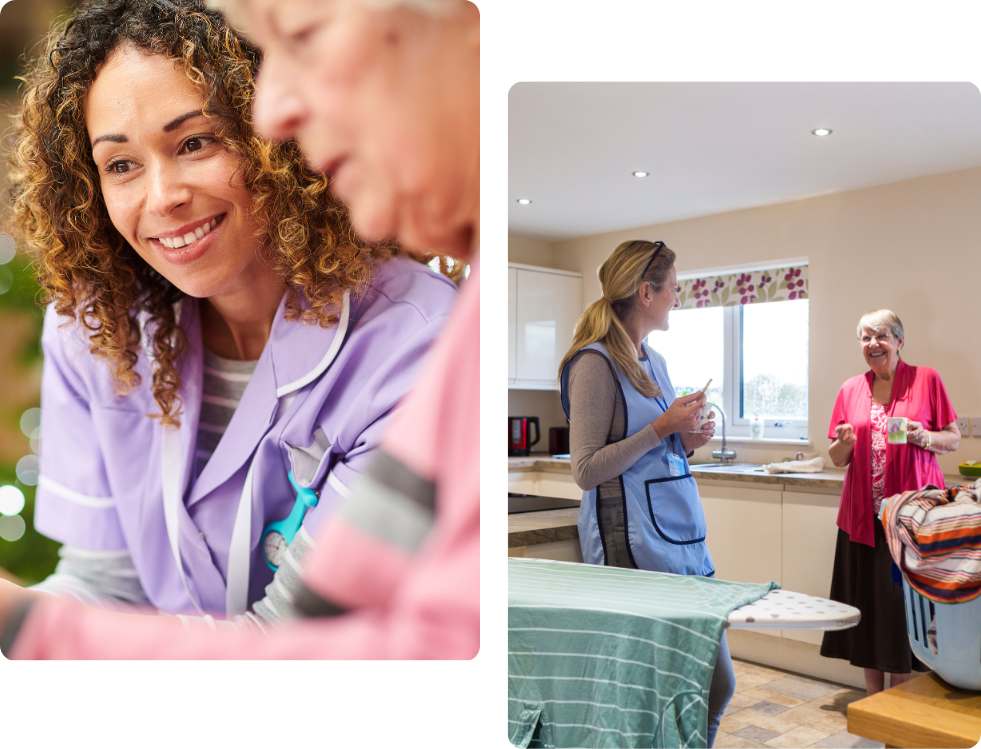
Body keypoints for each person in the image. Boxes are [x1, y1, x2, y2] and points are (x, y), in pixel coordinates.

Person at [0, 0, 479, 659]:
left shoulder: (417, 340)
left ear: (272, 140)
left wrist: (27, 626)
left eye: (195, 142)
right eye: (120, 165)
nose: (162, 195)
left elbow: (301, 637)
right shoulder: (95, 328)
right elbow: (106, 585)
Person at [556, 239, 733, 749]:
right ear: (646, 292)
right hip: (630, 546)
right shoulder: (594, 364)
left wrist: (687, 437)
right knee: (658, 692)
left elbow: (661, 448)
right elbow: (586, 470)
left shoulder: (652, 359)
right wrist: (662, 427)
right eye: (673, 288)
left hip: (678, 536)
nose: (678, 297)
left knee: (714, 684)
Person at [822, 309, 960, 694]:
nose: (872, 344)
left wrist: (923, 437)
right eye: (865, 338)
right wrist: (843, 443)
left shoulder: (926, 379)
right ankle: (873, 698)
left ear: (900, 340)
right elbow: (837, 458)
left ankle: (900, 696)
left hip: (910, 517)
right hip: (862, 519)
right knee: (866, 605)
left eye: (880, 336)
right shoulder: (850, 388)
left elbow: (952, 437)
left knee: (903, 610)